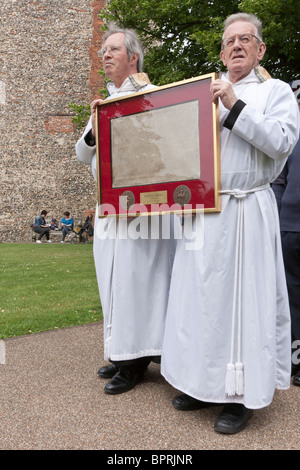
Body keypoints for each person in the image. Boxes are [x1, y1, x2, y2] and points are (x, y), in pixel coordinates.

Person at [161, 12, 300, 434]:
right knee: (200, 300)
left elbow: (280, 141)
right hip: (204, 209)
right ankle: (200, 383)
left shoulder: (275, 92)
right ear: (221, 52)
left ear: (260, 49)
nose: (236, 46)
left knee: (243, 302)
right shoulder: (200, 92)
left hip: (246, 209)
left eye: (246, 39)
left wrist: (233, 105)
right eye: (229, 41)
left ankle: (240, 394)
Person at [75, 24, 177, 394]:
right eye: (103, 50)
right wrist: (92, 130)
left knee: (138, 283)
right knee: (112, 282)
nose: (105, 55)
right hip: (108, 208)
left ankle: (135, 362)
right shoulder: (104, 102)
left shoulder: (152, 96)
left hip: (140, 212)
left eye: (113, 49)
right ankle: (121, 352)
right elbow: (82, 152)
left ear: (133, 57)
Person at [272, 80, 300, 387]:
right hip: (291, 224)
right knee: (293, 295)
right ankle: (295, 356)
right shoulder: (290, 135)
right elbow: (279, 181)